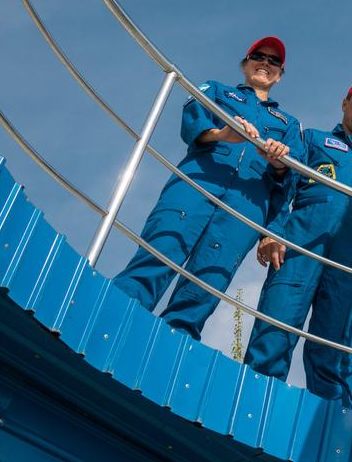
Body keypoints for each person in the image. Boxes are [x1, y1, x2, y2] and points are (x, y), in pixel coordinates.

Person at [114, 37, 303, 338]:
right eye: (258, 56)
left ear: (280, 75)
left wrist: (279, 164)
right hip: (197, 182)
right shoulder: (216, 90)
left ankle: (172, 348)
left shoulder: (289, 124)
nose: (265, 63)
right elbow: (193, 118)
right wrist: (221, 134)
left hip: (247, 206)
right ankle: (108, 323)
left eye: (274, 61)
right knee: (159, 251)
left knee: (205, 285)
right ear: (245, 64)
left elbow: (290, 181)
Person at [243, 76, 352, 405]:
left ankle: (332, 426)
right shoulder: (313, 140)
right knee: (274, 331)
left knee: (335, 349)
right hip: (298, 248)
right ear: (345, 103)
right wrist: (271, 233)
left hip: (349, 261)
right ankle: (252, 408)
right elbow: (282, 186)